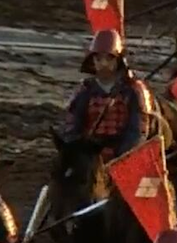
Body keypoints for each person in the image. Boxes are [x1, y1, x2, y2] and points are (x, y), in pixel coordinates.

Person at [61, 29, 154, 161]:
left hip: (123, 155)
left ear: (118, 60)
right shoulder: (85, 91)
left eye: (109, 58)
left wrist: (120, 155)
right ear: (92, 61)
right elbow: (72, 125)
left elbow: (138, 130)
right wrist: (81, 150)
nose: (104, 63)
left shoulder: (134, 90)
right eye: (99, 58)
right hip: (90, 156)